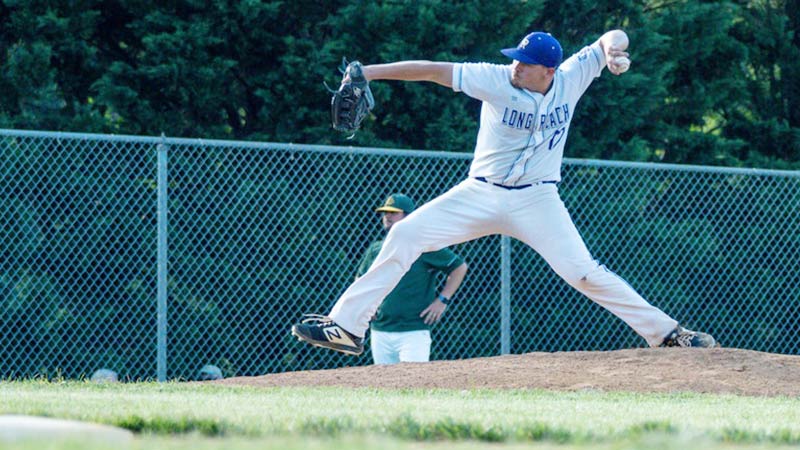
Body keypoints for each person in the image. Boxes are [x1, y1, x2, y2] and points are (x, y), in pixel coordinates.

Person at [291, 29, 718, 355]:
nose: (516, 66)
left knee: (584, 272)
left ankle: (667, 334)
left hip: (538, 199)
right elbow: (432, 70)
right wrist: (370, 73)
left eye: (526, 63)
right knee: (403, 235)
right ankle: (347, 327)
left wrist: (612, 51)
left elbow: (613, 35)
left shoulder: (570, 77)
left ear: (548, 70)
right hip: (479, 194)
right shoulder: (495, 80)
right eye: (516, 59)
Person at [357, 193, 468, 364]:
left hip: (413, 331)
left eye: (394, 213)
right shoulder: (376, 249)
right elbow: (361, 279)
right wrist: (365, 305)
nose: (387, 216)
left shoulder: (423, 246)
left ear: (409, 217)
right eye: (385, 212)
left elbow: (459, 267)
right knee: (384, 384)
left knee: (413, 383)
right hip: (380, 330)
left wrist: (442, 300)